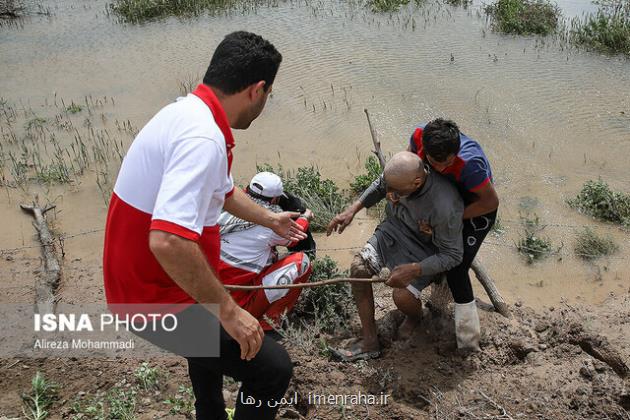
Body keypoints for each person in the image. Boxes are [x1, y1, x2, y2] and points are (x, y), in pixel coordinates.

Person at [103, 31, 306, 420]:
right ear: (257, 89)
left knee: (211, 350)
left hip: (154, 287)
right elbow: (167, 241)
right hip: (153, 298)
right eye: (269, 95)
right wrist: (229, 313)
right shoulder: (202, 137)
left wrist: (270, 219)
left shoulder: (188, 113)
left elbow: (224, 192)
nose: (265, 103)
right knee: (272, 368)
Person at [327, 152, 467, 361]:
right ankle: (369, 342)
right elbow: (379, 185)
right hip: (393, 231)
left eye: (395, 191)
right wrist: (352, 210)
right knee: (359, 268)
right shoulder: (398, 178)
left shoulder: (444, 205)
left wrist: (414, 269)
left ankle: (415, 316)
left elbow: (453, 255)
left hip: (424, 249)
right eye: (388, 188)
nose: (389, 193)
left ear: (416, 182)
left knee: (401, 296)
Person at [408, 118, 499, 348]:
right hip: (446, 205)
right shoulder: (420, 137)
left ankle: (469, 341)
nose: (439, 168)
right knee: (425, 247)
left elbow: (490, 201)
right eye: (433, 162)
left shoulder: (471, 164)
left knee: (457, 268)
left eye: (446, 163)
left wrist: (446, 221)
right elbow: (410, 169)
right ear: (425, 149)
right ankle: (430, 305)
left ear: (455, 153)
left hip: (475, 210)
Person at [218, 171, 314, 333]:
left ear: (247, 190)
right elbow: (295, 237)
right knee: (301, 262)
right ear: (275, 199)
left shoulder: (228, 209)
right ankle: (268, 322)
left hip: (213, 299)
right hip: (239, 307)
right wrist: (305, 217)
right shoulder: (272, 224)